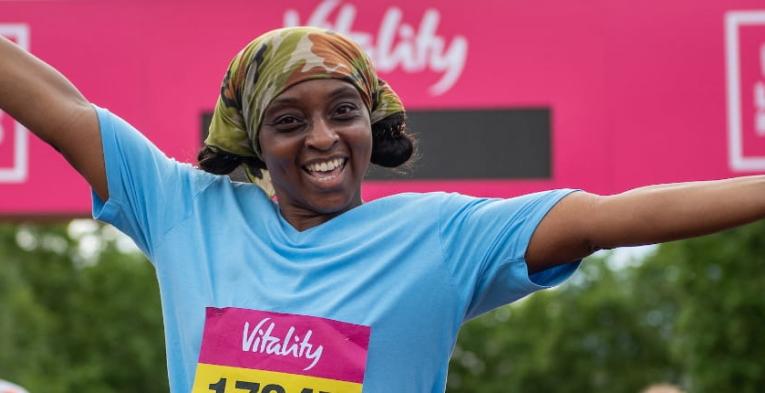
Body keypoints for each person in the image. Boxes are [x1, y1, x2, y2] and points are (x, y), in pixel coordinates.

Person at [1, 26, 763, 393]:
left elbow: (612, 217)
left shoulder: (441, 236)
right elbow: (59, 106)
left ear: (374, 121)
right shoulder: (186, 211)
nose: (322, 137)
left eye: (342, 110)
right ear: (255, 140)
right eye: (289, 121)